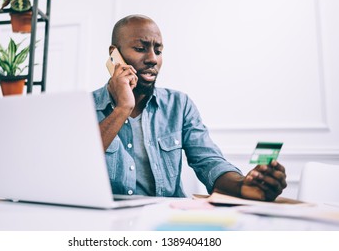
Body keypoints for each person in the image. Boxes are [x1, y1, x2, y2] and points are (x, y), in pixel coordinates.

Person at [92, 14, 287, 201]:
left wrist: (243, 185)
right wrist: (122, 108)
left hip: (166, 221)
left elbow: (209, 162)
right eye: (140, 48)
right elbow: (75, 168)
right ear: (114, 54)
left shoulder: (179, 105)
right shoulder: (86, 108)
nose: (153, 59)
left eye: (158, 51)